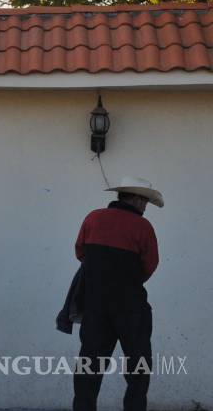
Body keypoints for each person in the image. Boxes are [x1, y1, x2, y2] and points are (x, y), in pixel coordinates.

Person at [71, 176, 162, 411]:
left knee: (89, 366)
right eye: (145, 202)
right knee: (138, 367)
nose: (145, 207)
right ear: (136, 199)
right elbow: (150, 264)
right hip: (131, 307)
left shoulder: (93, 218)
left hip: (96, 306)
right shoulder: (143, 226)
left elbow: (80, 253)